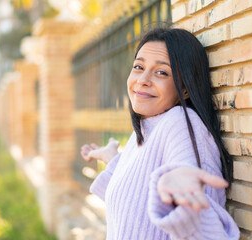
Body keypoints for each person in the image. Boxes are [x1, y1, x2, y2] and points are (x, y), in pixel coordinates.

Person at [80, 28, 240, 240]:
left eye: (161, 72)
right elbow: (134, 210)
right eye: (139, 67)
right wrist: (114, 161)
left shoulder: (180, 123)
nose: (143, 80)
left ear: (184, 89)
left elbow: (202, 223)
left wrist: (183, 205)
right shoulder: (149, 126)